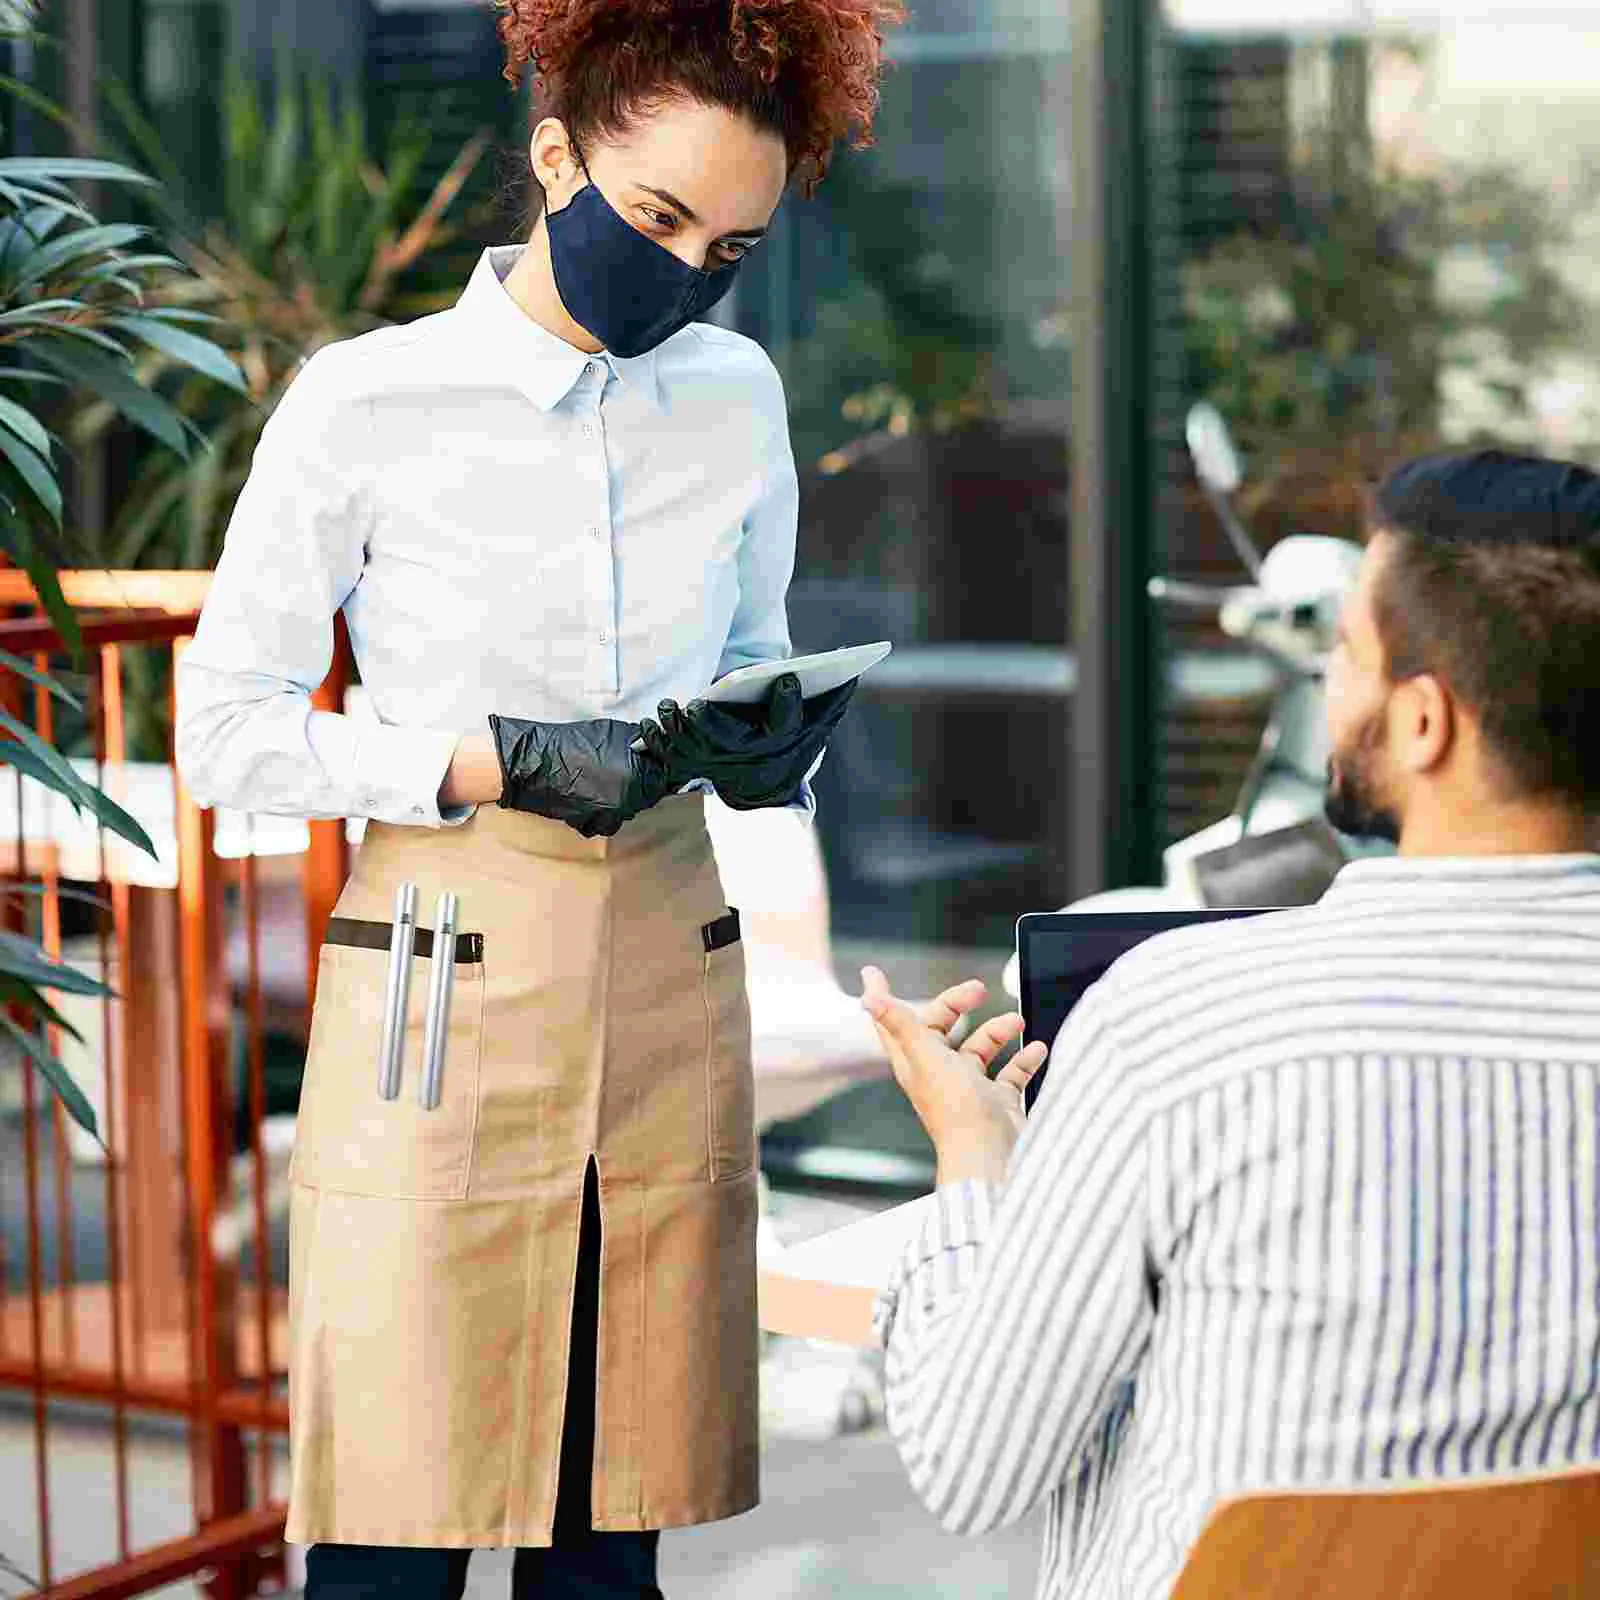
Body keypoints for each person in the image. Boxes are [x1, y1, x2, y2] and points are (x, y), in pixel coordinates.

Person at [173, 2, 905, 1596]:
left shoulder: (735, 396)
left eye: (731, 246)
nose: (691, 271)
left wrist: (775, 747)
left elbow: (754, 656)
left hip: (660, 955)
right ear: (554, 156)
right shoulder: (366, 402)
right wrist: (468, 759)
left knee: (609, 1533)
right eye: (657, 218)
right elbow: (221, 732)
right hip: (445, 961)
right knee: (394, 1531)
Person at [858, 450, 1600, 1600]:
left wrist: (974, 1157)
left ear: (1419, 721)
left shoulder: (1179, 1026)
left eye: (1344, 654)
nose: (1325, 683)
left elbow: (972, 1463)